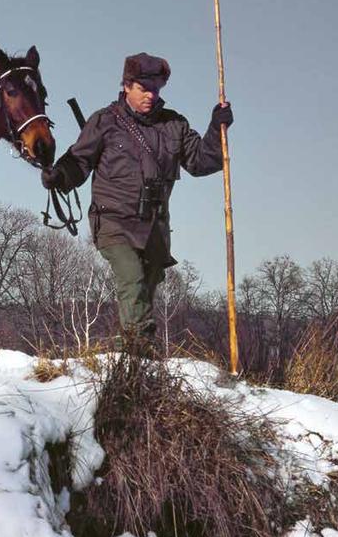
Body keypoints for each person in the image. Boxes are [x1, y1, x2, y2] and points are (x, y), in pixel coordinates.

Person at [41, 52, 233, 342]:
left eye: (156, 90)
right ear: (127, 86)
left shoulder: (174, 125)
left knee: (145, 289)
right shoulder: (104, 121)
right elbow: (78, 161)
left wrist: (216, 128)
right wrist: (59, 176)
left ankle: (128, 350)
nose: (151, 96)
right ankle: (141, 350)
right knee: (132, 277)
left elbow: (201, 162)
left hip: (154, 225)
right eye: (144, 89)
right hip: (113, 220)